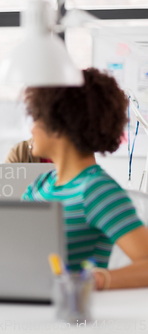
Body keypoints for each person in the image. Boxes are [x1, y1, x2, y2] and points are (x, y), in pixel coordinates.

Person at [22, 67, 148, 290]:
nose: (31, 128)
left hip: (70, 314)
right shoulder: (39, 187)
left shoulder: (96, 190)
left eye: (38, 118)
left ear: (61, 123)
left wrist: (97, 279)